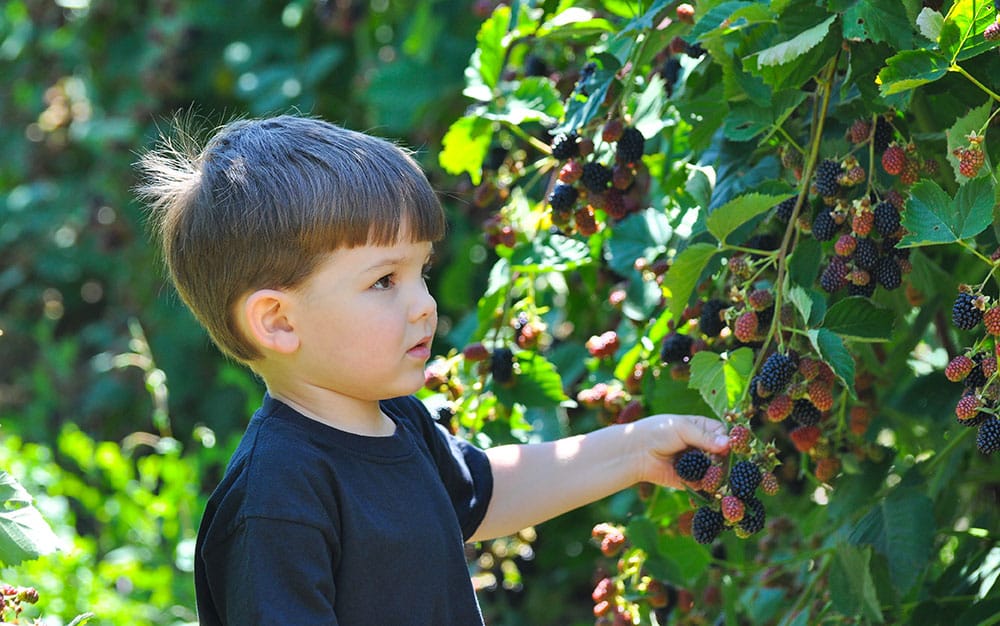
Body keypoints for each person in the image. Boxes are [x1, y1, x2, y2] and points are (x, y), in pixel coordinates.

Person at [136, 114, 730, 625]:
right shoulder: (277, 499)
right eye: (385, 281)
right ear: (278, 322)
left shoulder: (398, 422)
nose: (424, 303)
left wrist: (633, 451)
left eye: (422, 271)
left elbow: (485, 492)